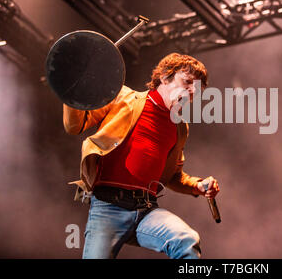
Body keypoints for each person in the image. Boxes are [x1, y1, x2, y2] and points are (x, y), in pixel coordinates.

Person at [63, 52, 220, 259]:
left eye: (197, 89)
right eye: (188, 82)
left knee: (186, 239)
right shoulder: (123, 98)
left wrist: (197, 186)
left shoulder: (180, 128)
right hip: (108, 208)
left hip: (147, 210)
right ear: (164, 77)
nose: (192, 91)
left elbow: (173, 176)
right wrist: (71, 87)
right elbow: (75, 125)